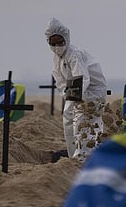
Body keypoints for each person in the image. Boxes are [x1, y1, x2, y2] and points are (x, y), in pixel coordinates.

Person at [44, 18, 107, 162]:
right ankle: (76, 156)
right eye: (53, 43)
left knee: (84, 125)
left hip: (92, 92)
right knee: (72, 123)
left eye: (60, 42)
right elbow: (60, 80)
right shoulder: (58, 58)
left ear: (66, 39)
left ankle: (84, 158)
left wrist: (73, 99)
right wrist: (67, 95)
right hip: (76, 92)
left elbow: (82, 78)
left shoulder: (74, 54)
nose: (57, 46)